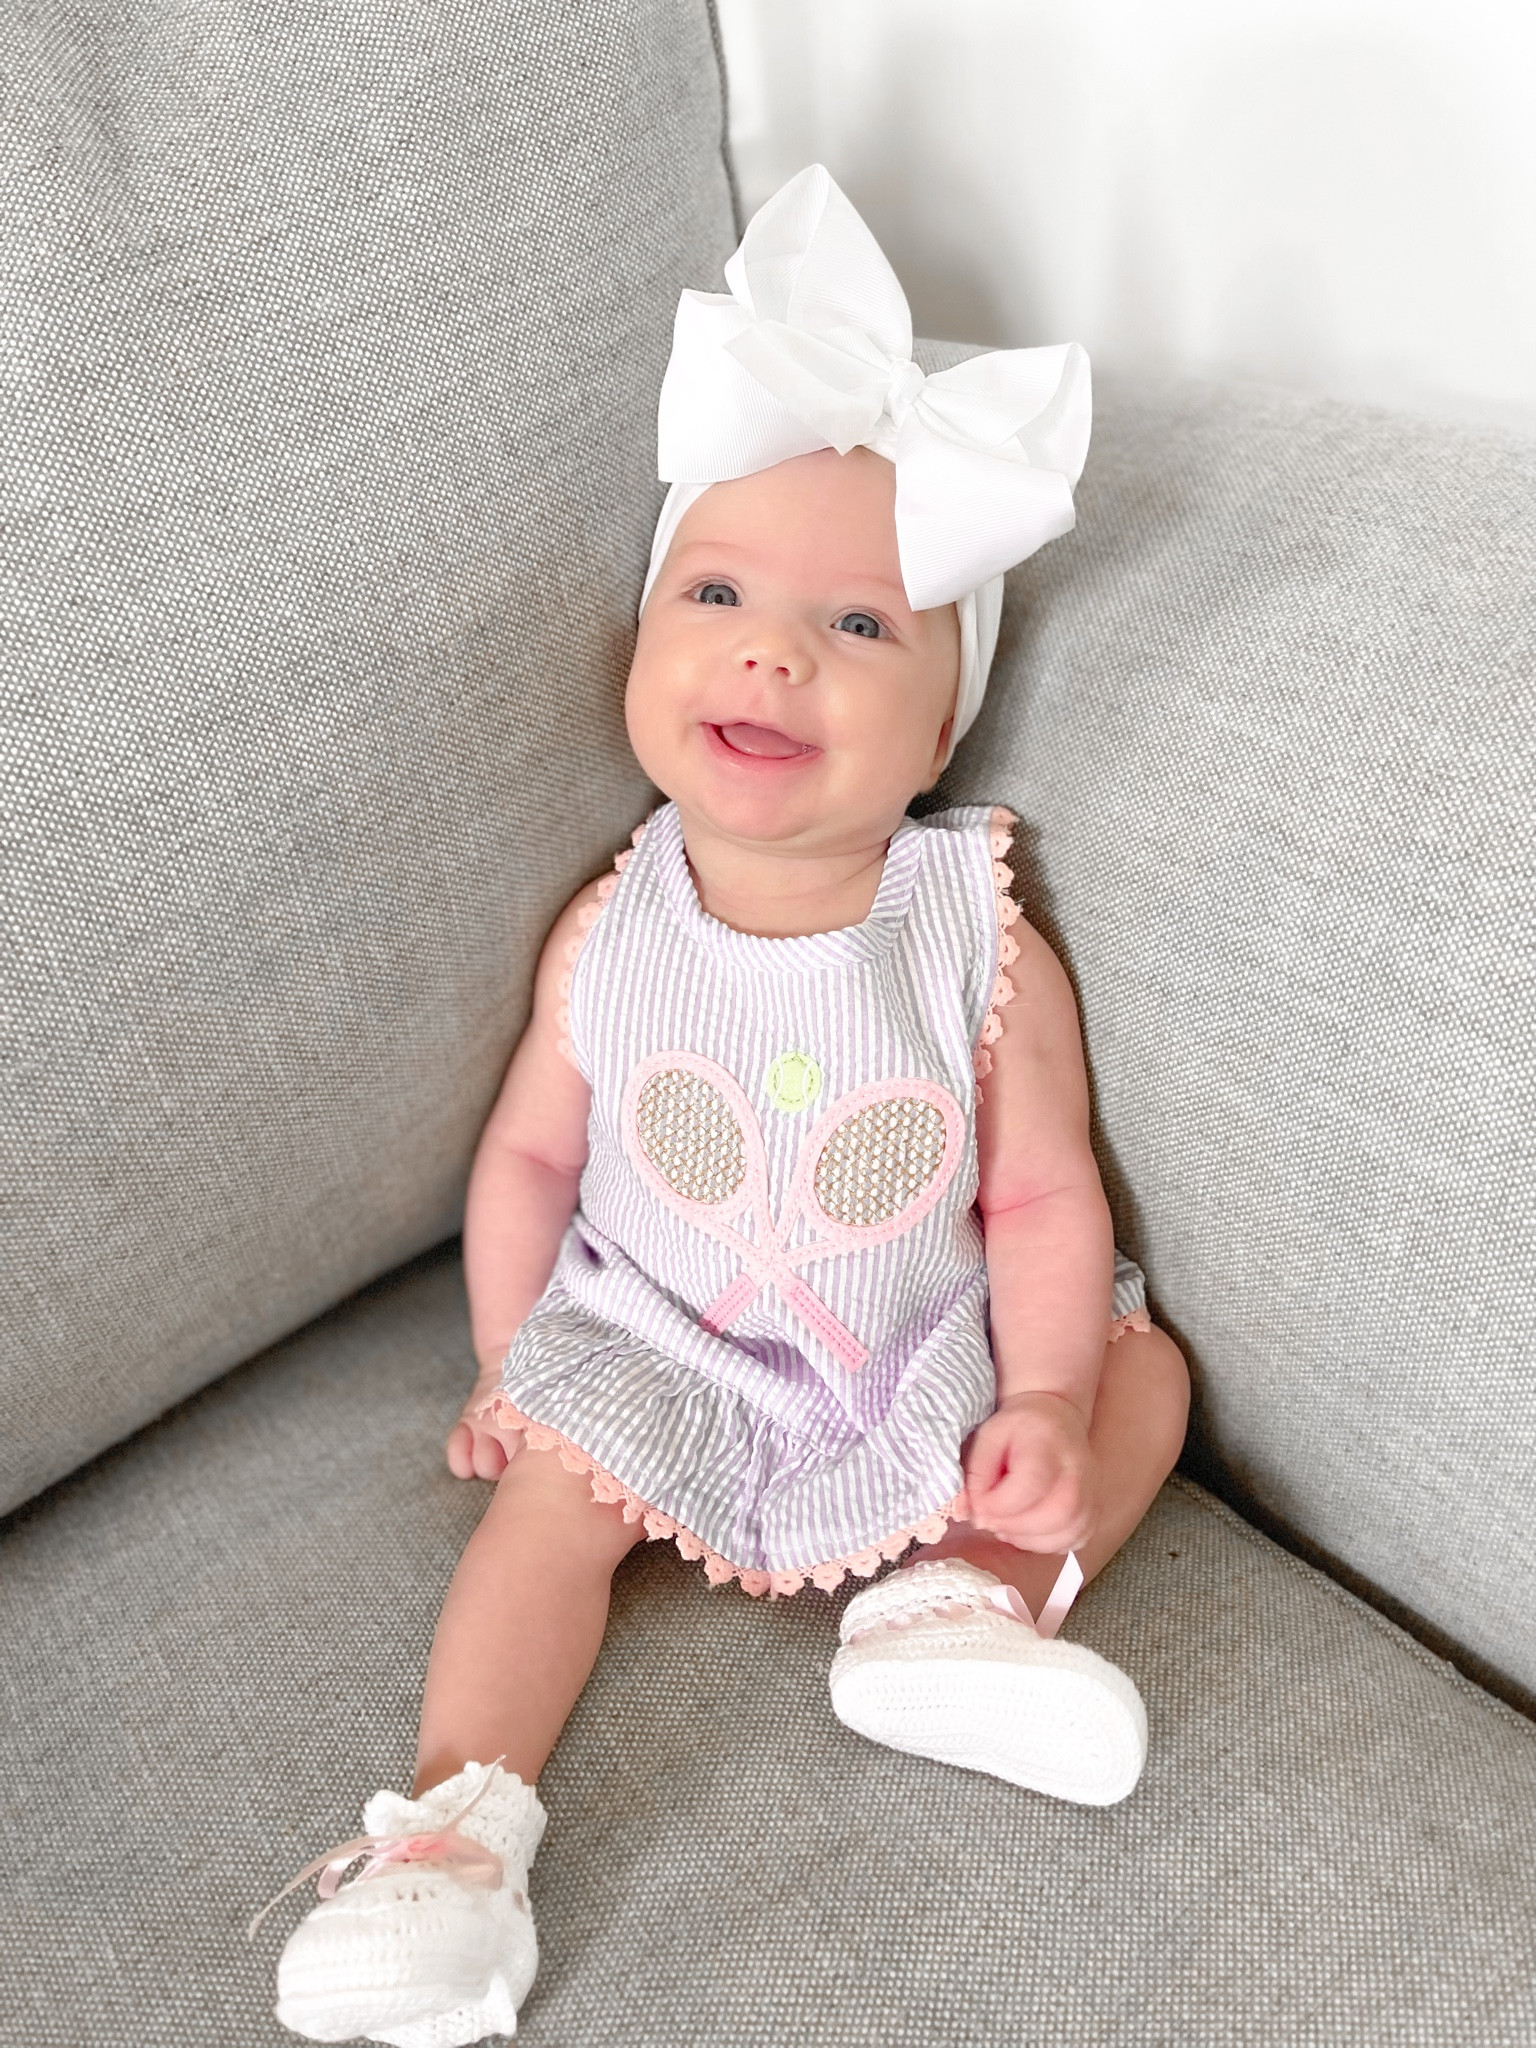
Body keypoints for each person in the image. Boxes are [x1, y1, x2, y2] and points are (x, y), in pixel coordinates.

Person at [257, 166, 1190, 2046]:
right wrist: (519, 1355)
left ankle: (963, 1612)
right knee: (548, 1499)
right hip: (662, 1342)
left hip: (913, 1342)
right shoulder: (616, 928)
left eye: (861, 627)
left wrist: (1037, 1399)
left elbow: (1039, 1201)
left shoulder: (974, 932)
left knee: (1141, 1370)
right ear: (644, 649)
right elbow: (530, 1153)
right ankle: (454, 1834)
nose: (773, 648)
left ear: (941, 730)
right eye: (720, 593)